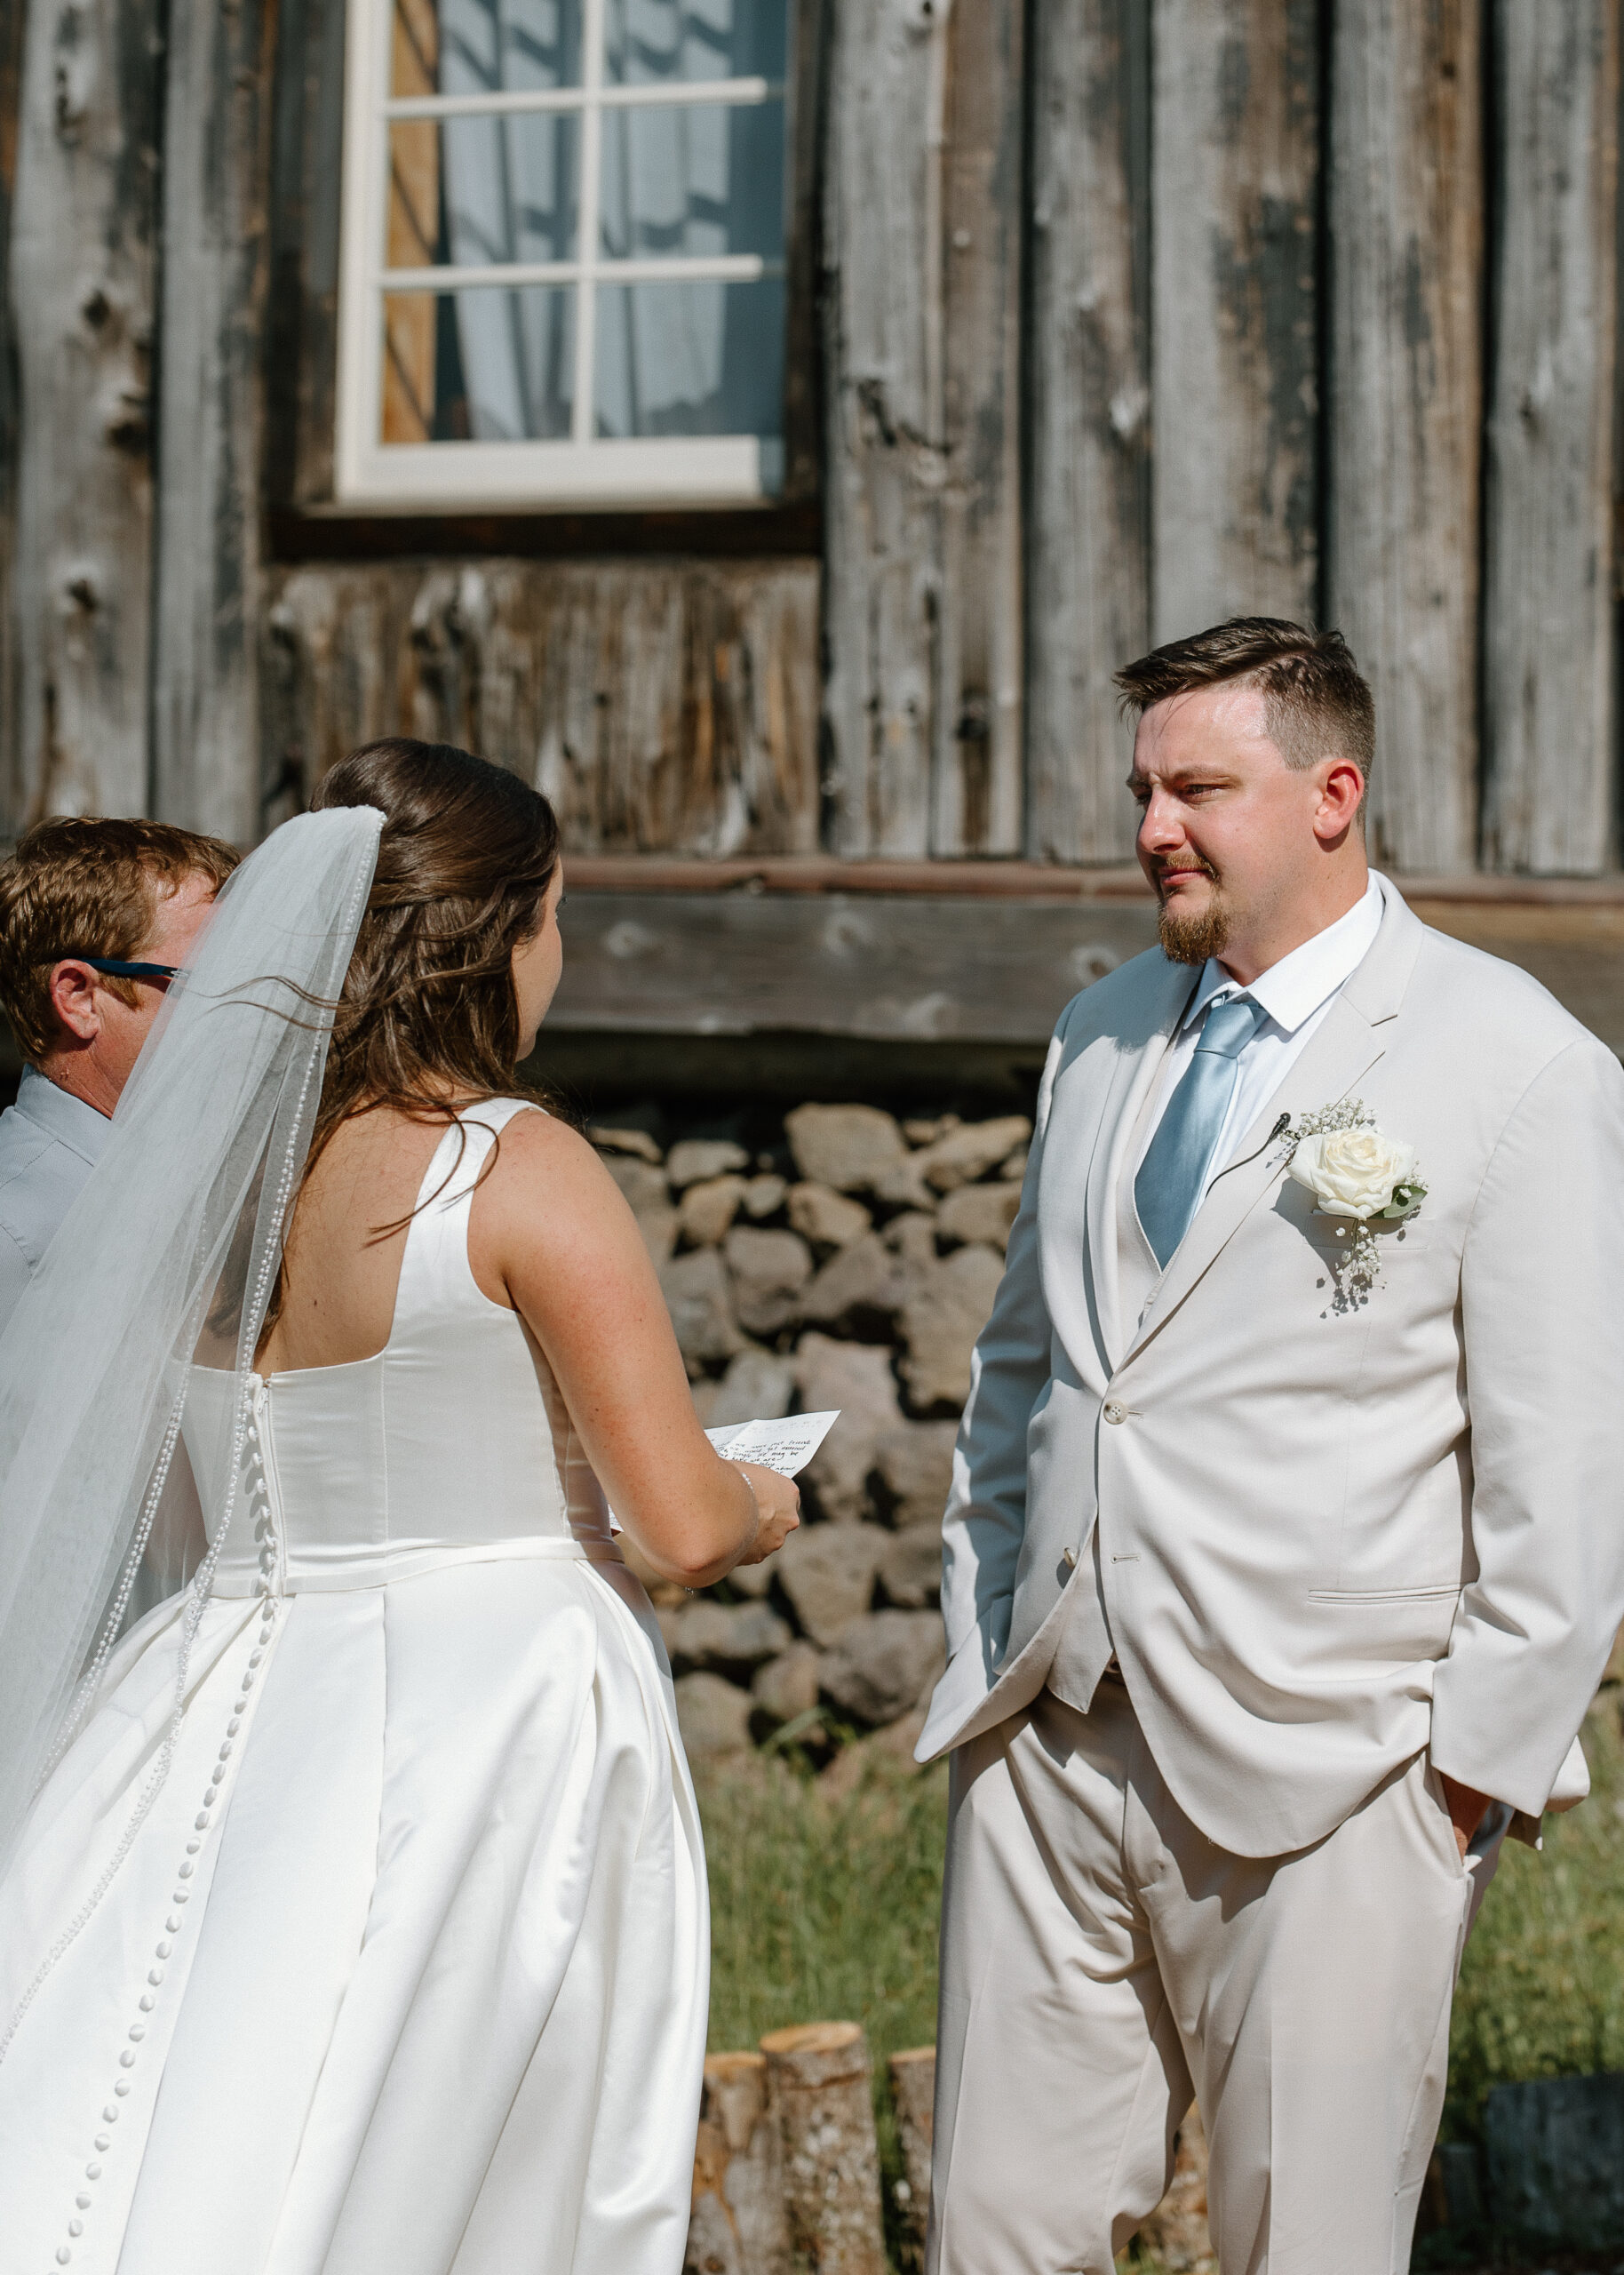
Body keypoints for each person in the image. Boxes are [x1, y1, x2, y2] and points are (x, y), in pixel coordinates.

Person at [0, 738, 800, 2275]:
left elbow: (191, 1474)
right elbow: (680, 1527)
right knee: (472, 2149)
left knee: (192, 2090)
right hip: (484, 1704)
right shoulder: (515, 1163)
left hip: (217, 1686)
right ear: (496, 934)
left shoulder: (207, 1180)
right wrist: (763, 1495)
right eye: (554, 915)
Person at [917, 619, 1624, 2274]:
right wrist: (983, 1658)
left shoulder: (1509, 1059)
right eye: (1143, 788)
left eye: (1197, 789)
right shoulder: (1097, 1031)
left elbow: (1565, 1457)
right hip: (1052, 1734)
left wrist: (1458, 1779)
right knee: (991, 2235)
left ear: (1330, 793)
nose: (1152, 825)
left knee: (1297, 2243)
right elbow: (1023, 1374)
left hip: (1337, 1773)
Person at [0, 816, 236, 1333]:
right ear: (79, 998)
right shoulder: (13, 1233)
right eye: (213, 978)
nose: (244, 1009)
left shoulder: (208, 1182)